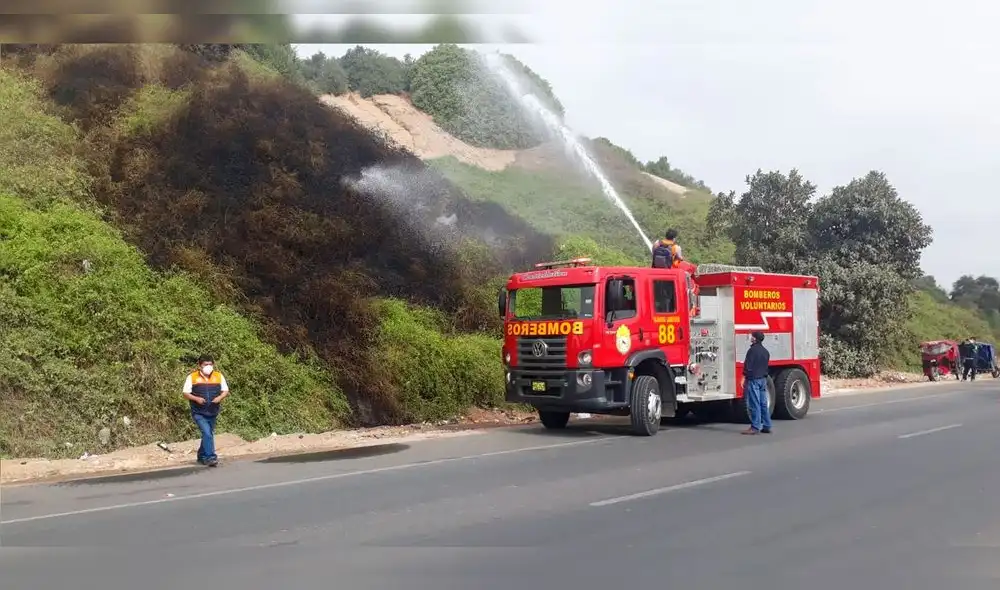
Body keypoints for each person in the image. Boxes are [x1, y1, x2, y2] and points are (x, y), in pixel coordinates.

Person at [182, 354, 230, 466]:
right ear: (199, 365)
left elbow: (225, 390)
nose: (208, 366)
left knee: (208, 434)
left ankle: (201, 455)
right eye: (205, 364)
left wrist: (219, 398)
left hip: (213, 411)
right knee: (207, 433)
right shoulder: (192, 377)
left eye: (210, 364)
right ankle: (210, 457)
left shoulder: (218, 376)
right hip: (198, 412)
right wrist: (196, 399)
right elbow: (185, 393)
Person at [741, 331, 772, 435]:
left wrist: (743, 377)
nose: (750, 337)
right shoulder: (766, 352)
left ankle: (755, 426)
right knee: (763, 403)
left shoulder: (752, 351)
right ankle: (767, 425)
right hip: (763, 379)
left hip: (753, 379)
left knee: (754, 403)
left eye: (752, 336)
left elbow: (748, 366)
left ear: (754, 339)